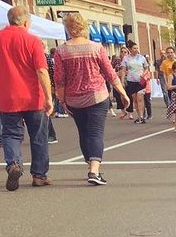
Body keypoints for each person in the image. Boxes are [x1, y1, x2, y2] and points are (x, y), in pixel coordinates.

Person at [53, 13, 129, 186]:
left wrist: (62, 100)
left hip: (74, 97)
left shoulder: (61, 51)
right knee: (95, 132)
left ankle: (91, 165)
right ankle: (94, 170)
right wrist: (122, 93)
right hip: (96, 95)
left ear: (68, 28)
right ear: (84, 27)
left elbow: (60, 79)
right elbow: (110, 73)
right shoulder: (96, 47)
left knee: (84, 132)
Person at [0, 5, 54, 191]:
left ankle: (13, 163)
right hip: (33, 96)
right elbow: (41, 70)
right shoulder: (32, 40)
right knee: (38, 135)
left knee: (11, 133)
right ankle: (39, 174)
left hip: (8, 95)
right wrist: (49, 97)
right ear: (26, 21)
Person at [120, 42, 150, 124]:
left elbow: (146, 68)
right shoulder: (126, 58)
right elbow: (123, 70)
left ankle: (141, 116)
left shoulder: (142, 58)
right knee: (135, 99)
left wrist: (143, 74)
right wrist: (122, 81)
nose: (136, 50)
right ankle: (138, 115)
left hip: (140, 81)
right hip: (131, 80)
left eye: (137, 48)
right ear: (130, 49)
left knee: (140, 98)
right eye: (134, 48)